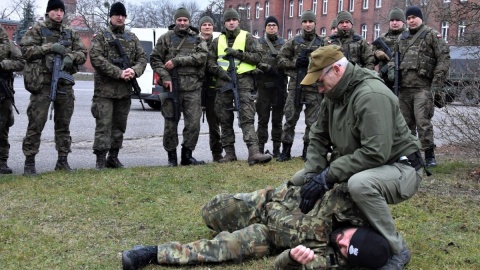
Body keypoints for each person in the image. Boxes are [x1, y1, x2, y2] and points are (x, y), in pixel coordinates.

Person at [295, 45, 425, 269]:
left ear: (336, 69)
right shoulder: (334, 94)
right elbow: (317, 135)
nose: (319, 89)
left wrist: (329, 174)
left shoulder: (371, 95)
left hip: (401, 168)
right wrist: (314, 174)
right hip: (366, 164)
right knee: (301, 177)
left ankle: (397, 249)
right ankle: (294, 222)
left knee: (360, 185)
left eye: (319, 82)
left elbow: (376, 152)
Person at [121, 181, 392, 270]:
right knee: (210, 213)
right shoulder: (353, 202)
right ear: (362, 228)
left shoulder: (332, 260)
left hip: (267, 236)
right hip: (266, 202)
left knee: (222, 249)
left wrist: (292, 257)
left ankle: (151, 253)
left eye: (345, 250)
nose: (342, 242)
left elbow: (280, 266)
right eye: (350, 240)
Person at [20, 0, 87, 176]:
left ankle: (62, 160)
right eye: (55, 10)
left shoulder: (70, 33)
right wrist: (49, 47)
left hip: (64, 85)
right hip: (41, 84)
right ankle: (29, 162)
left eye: (61, 11)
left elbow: (83, 53)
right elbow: (25, 51)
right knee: (36, 123)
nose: (59, 14)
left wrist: (71, 57)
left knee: (63, 124)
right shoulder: (37, 29)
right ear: (49, 11)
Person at [206, 8, 272, 165]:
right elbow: (210, 62)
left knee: (247, 118)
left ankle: (254, 152)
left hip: (243, 84)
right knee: (224, 119)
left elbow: (258, 57)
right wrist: (220, 73)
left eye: (233, 20)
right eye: (228, 20)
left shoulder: (247, 37)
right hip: (223, 84)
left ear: (238, 22)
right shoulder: (217, 41)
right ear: (224, 23)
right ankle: (229, 153)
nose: (231, 22)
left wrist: (238, 54)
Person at [388, 6, 450, 167]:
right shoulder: (402, 38)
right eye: (408, 18)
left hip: (423, 87)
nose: (411, 20)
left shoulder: (431, 35)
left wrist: (437, 83)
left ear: (421, 18)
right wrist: (391, 73)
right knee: (405, 124)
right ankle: (410, 156)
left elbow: (443, 58)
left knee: (423, 122)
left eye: (414, 17)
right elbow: (392, 60)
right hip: (404, 88)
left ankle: (429, 155)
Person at [89, 2, 147, 169]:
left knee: (120, 126)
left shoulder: (131, 37)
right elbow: (96, 59)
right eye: (117, 15)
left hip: (124, 91)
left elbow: (142, 58)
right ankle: (100, 160)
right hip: (104, 91)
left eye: (123, 15)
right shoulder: (101, 36)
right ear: (111, 17)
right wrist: (118, 72)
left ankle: (113, 157)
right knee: (103, 126)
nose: (120, 18)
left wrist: (134, 71)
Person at [150, 7, 208, 167]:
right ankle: (172, 158)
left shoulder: (197, 39)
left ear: (189, 22)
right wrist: (165, 76)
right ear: (175, 21)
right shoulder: (166, 38)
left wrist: (178, 61)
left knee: (193, 124)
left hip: (192, 88)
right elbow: (154, 59)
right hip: (171, 88)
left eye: (185, 20)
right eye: (179, 20)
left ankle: (187, 155)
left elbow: (202, 57)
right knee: (170, 124)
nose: (182, 23)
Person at [276, 10, 324, 162]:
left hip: (314, 87)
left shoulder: (321, 43)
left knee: (313, 122)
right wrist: (294, 64)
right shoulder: (294, 41)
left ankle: (307, 150)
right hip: (296, 86)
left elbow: (327, 63)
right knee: (290, 118)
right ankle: (286, 150)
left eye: (310, 22)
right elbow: (280, 59)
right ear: (302, 23)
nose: (308, 24)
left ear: (315, 23)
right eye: (305, 22)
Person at [255, 16, 287, 157]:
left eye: (274, 25)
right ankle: (260, 149)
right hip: (263, 87)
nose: (272, 27)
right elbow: (254, 60)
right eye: (269, 25)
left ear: (278, 28)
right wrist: (266, 68)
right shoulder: (259, 43)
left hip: (279, 87)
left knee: (278, 120)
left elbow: (288, 60)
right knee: (263, 119)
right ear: (265, 28)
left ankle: (276, 149)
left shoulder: (285, 44)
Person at [0, 26, 25, 174]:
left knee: (2, 128)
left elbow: (20, 62)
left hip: (2, 92)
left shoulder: (7, 43)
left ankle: (2, 161)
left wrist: (3, 65)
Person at [198, 16, 223, 162]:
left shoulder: (218, 43)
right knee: (193, 123)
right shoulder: (195, 42)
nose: (207, 27)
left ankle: (217, 153)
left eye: (209, 24)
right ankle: (188, 153)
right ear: (200, 27)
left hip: (213, 89)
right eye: (204, 25)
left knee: (214, 124)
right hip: (197, 87)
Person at [373, 8, 405, 90]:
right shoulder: (383, 38)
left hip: (403, 81)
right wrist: (376, 53)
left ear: (403, 22)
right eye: (392, 20)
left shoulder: (408, 37)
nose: (394, 23)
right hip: (384, 81)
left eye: (397, 20)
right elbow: (369, 57)